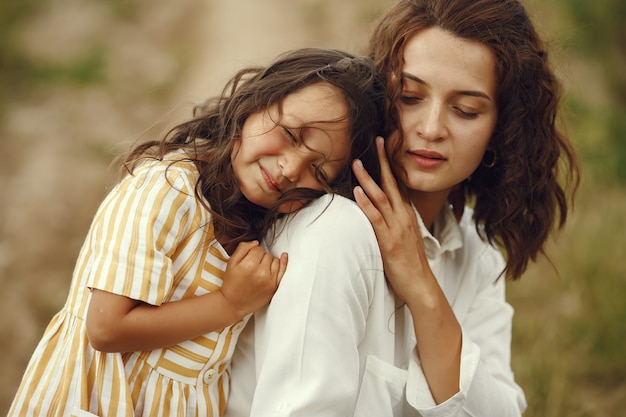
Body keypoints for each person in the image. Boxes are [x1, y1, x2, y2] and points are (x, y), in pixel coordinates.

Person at [224, 0, 580, 416]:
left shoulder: (475, 257)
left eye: (465, 110)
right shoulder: (333, 229)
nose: (431, 129)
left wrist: (424, 291)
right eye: (409, 97)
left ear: (501, 130)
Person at [8, 48, 385, 417]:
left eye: (318, 172)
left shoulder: (258, 225)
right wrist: (229, 304)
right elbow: (106, 327)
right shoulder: (166, 189)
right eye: (290, 134)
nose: (290, 168)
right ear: (254, 104)